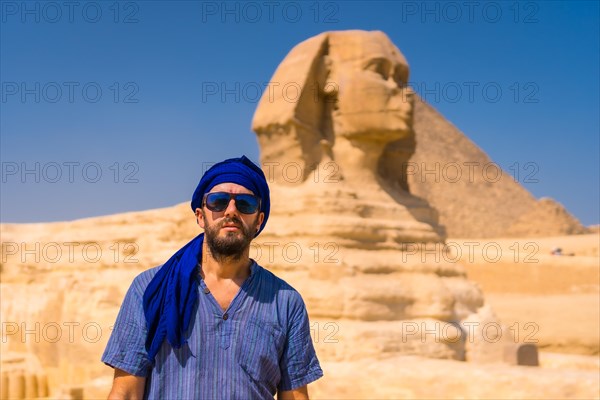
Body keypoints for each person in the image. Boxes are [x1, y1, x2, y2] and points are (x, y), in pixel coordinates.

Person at [102, 156, 323, 399]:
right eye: (218, 202)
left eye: (245, 204)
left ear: (259, 220)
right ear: (200, 215)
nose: (231, 211)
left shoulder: (286, 302)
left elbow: (295, 396)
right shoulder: (150, 289)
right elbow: (126, 392)